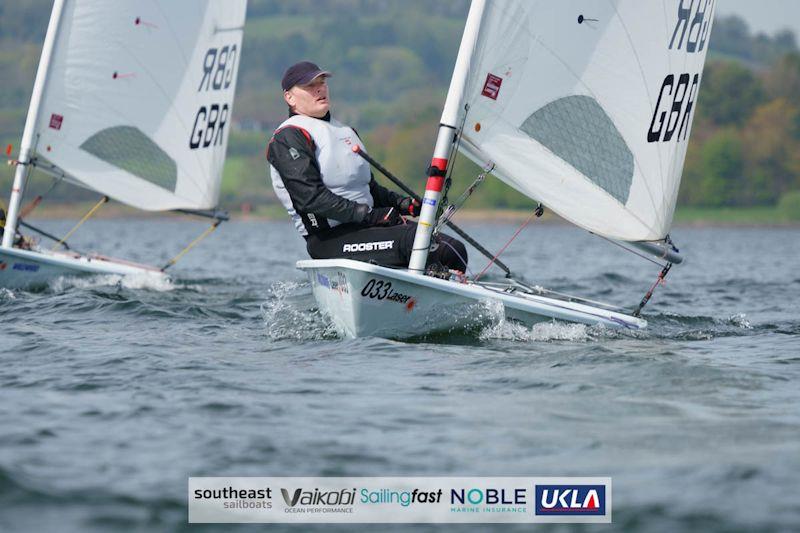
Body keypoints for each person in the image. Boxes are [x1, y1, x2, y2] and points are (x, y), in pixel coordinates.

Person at [267, 61, 468, 271]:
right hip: (329, 239)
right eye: (310, 86)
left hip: (368, 228)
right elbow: (310, 199)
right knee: (417, 243)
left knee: (453, 250)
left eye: (322, 82)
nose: (320, 88)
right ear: (289, 97)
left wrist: (405, 204)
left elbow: (369, 189)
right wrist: (372, 215)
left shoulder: (346, 131)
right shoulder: (289, 136)